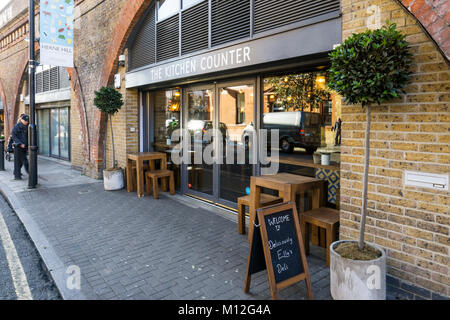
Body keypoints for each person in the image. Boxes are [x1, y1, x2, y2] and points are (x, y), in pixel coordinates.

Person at [11, 114, 29, 180]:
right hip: (18, 147)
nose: (26, 122)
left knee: (20, 162)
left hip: (25, 146)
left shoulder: (28, 126)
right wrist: (20, 143)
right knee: (24, 160)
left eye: (27, 120)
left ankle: (16, 172)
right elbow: (14, 136)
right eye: (25, 120)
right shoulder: (17, 127)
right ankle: (29, 172)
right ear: (21, 120)